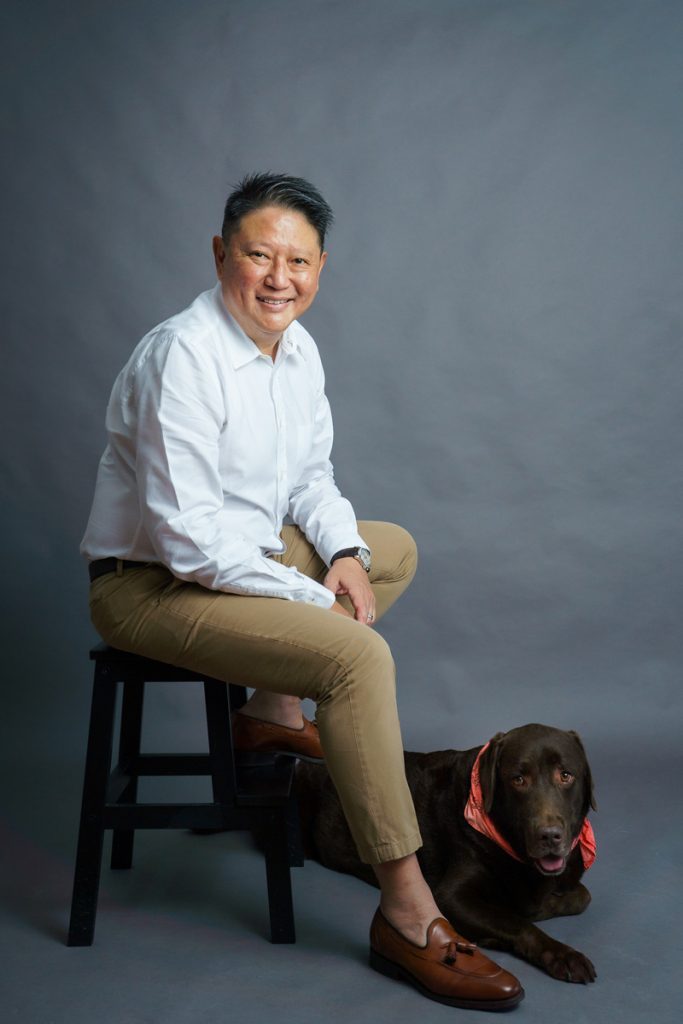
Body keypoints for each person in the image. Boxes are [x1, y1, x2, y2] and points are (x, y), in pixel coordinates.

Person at [81, 173, 523, 1010]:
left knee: (392, 549)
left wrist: (345, 554)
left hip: (231, 557)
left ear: (321, 267)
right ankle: (407, 913)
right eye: (258, 255)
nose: (279, 277)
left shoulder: (296, 346)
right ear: (220, 255)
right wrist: (308, 597)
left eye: (299, 260)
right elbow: (184, 542)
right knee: (356, 658)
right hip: (147, 586)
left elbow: (309, 479)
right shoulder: (183, 355)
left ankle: (269, 714)